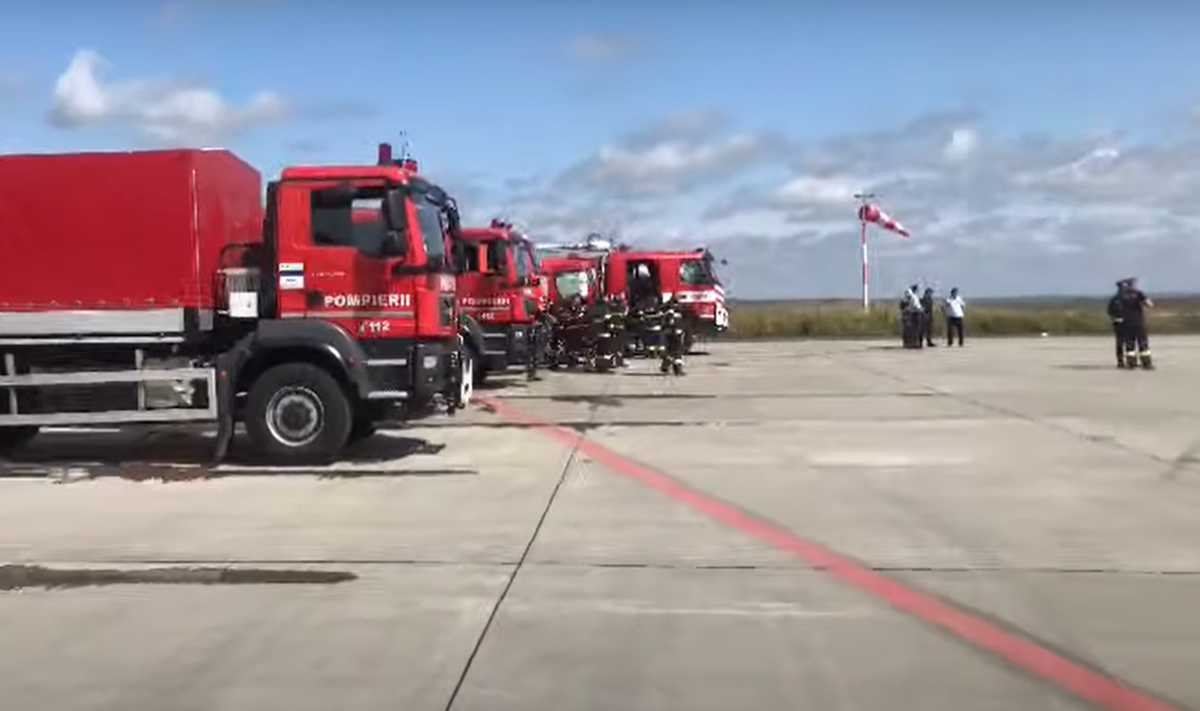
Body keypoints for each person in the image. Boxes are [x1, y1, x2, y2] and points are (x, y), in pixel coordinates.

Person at [1119, 277, 1154, 369]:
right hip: (1138, 321)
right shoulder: (1139, 294)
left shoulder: (1123, 295)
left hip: (1127, 322)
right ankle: (1146, 363)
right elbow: (1150, 304)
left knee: (1130, 343)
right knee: (1142, 342)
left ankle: (1131, 363)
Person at [1107, 280, 1128, 368]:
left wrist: (1114, 317)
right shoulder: (1127, 298)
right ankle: (1126, 361)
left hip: (1117, 321)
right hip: (1125, 322)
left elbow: (1109, 311)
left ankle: (1121, 361)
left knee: (1120, 342)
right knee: (1126, 341)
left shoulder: (1114, 299)